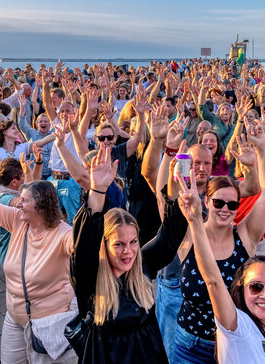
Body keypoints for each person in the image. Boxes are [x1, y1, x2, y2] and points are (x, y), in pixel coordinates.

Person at [0, 146, 76, 364]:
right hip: (14, 317)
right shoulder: (19, 220)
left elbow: (85, 250)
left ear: (42, 206)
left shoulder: (64, 234)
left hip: (50, 321)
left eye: (24, 200)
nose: (18, 203)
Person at [71, 145, 189, 364]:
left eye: (133, 242)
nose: (128, 251)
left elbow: (169, 238)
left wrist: (174, 189)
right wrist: (97, 191)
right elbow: (84, 243)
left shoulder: (142, 265)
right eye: (119, 244)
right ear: (104, 245)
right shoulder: (91, 279)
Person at [179, 179, 265, 364]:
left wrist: (262, 151)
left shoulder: (244, 235)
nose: (225, 209)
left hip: (236, 343)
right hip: (190, 345)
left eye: (232, 204)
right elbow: (161, 196)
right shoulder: (189, 232)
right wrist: (169, 155)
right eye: (218, 202)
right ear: (206, 201)